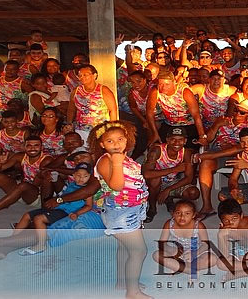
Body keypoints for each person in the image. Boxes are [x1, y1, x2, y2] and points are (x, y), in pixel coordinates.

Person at [88, 120, 151, 299]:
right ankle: (132, 293)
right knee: (139, 251)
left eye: (120, 139)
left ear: (127, 140)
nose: (116, 144)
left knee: (124, 247)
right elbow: (116, 185)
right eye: (110, 141)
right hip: (121, 213)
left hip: (133, 209)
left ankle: (123, 282)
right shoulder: (106, 161)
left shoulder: (124, 157)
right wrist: (116, 163)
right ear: (101, 144)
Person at [195, 102, 248, 218]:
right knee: (205, 164)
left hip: (239, 155)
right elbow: (208, 139)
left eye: (242, 112)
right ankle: (207, 206)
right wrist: (216, 125)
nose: (237, 114)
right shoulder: (223, 120)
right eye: (235, 110)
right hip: (219, 153)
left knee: (241, 146)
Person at [12, 162, 93, 256]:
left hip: (65, 212)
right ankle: (13, 239)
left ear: (90, 177)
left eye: (85, 176)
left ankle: (41, 245)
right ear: (74, 175)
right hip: (56, 208)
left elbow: (89, 206)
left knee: (38, 219)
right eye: (78, 175)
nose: (81, 178)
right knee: (27, 215)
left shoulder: (88, 190)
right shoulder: (71, 185)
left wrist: (77, 213)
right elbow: (61, 195)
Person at [142, 127, 199, 223]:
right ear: (167, 140)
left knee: (193, 192)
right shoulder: (157, 151)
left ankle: (171, 200)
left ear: (185, 141)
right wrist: (174, 169)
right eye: (173, 139)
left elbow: (189, 178)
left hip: (171, 181)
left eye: (180, 140)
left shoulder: (186, 153)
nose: (177, 143)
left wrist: (168, 189)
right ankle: (152, 208)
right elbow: (146, 174)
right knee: (155, 180)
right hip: (154, 183)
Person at [146, 70, 205, 149]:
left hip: (188, 124)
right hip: (169, 123)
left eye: (167, 84)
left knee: (191, 148)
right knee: (158, 146)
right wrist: (155, 133)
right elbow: (149, 112)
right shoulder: (155, 91)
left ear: (174, 83)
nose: (163, 87)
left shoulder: (185, 92)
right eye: (161, 84)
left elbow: (196, 115)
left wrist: (202, 136)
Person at [152, 200, 215, 274]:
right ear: (173, 214)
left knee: (212, 258)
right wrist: (174, 251)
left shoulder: (199, 226)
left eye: (187, 213)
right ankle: (188, 270)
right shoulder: (169, 224)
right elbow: (162, 243)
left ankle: (181, 267)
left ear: (194, 215)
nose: (182, 217)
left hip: (195, 252)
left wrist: (195, 253)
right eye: (178, 213)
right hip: (176, 253)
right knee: (157, 255)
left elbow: (206, 244)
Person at [67, 64, 117, 141]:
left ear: (94, 75)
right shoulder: (76, 91)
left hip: (100, 129)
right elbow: (71, 109)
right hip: (81, 129)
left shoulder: (103, 90)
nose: (82, 77)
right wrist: (69, 123)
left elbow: (112, 110)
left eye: (85, 75)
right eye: (80, 75)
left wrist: (112, 128)